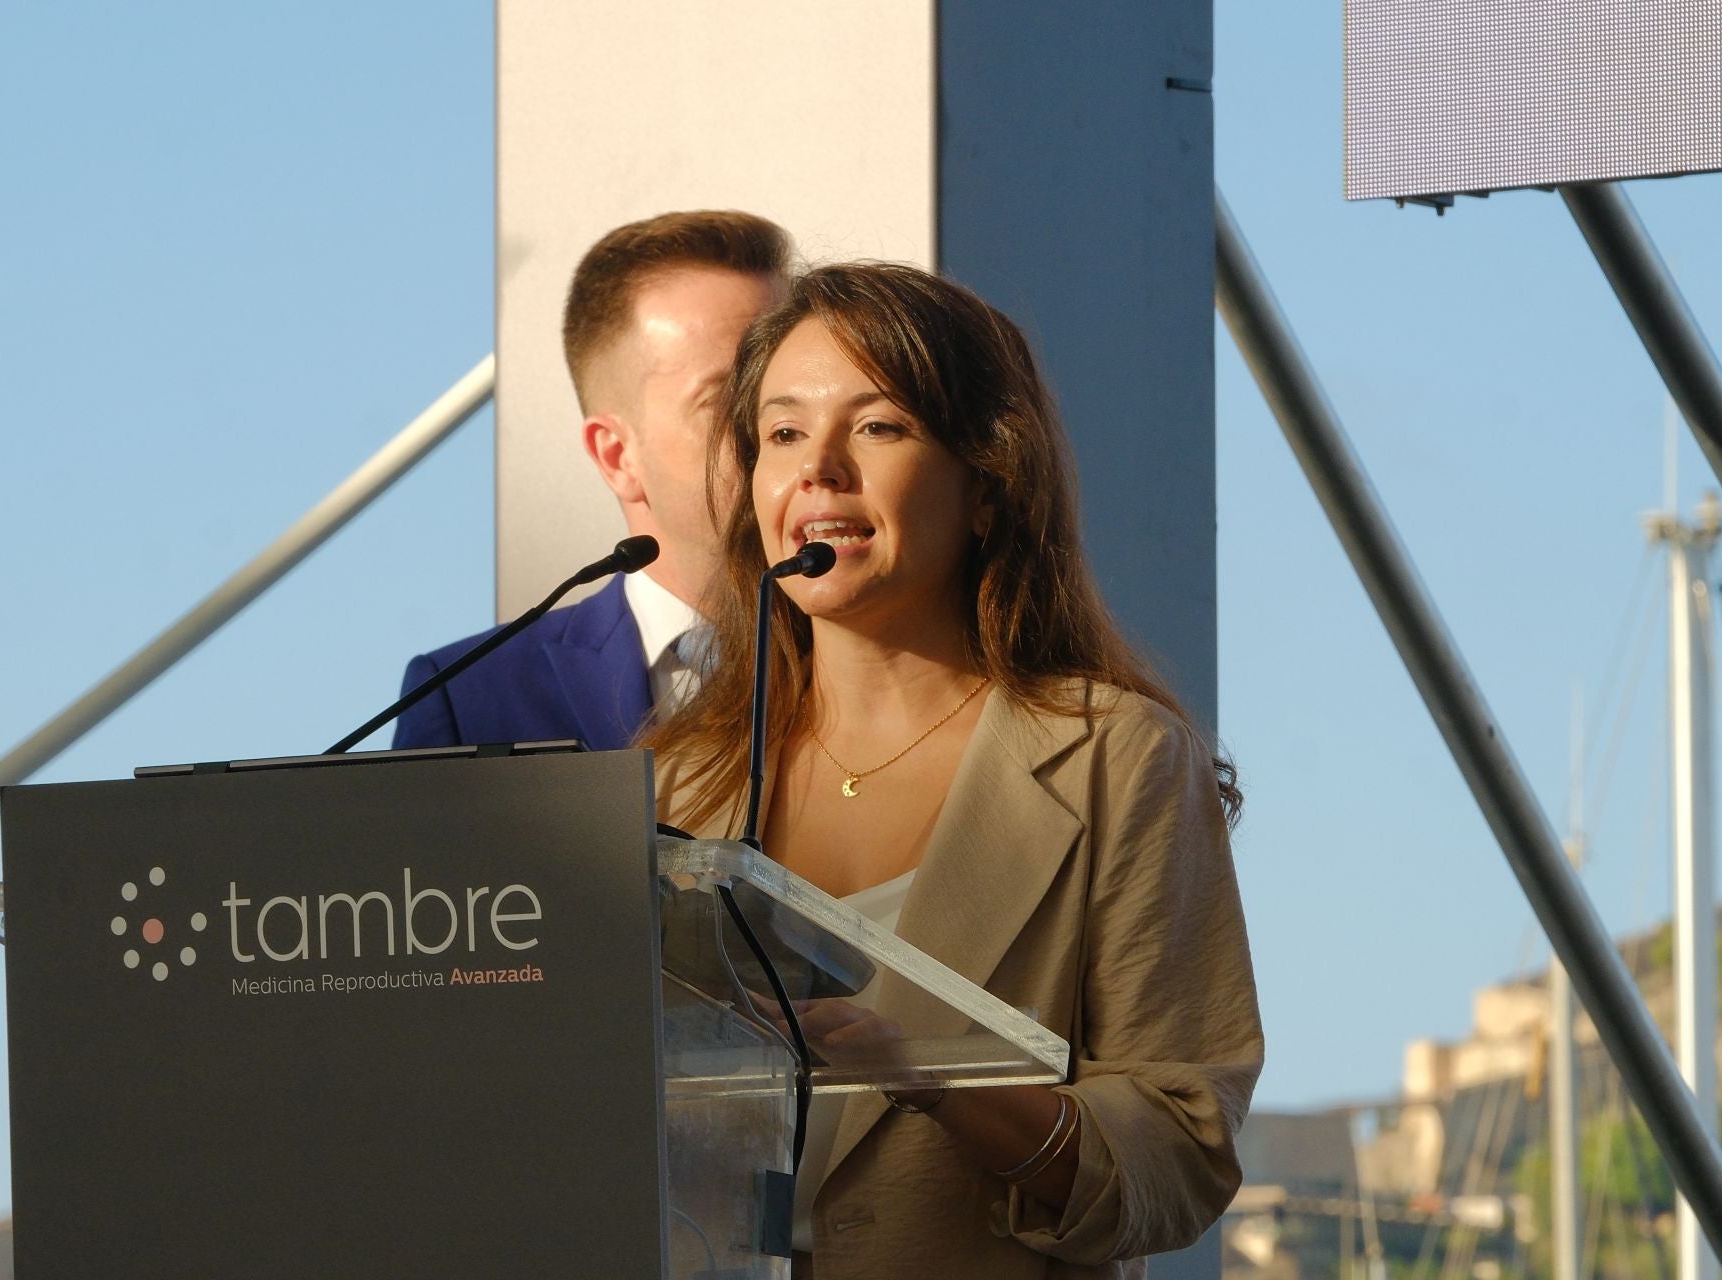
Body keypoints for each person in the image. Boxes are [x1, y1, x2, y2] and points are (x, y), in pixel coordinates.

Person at [646, 263, 1262, 1279]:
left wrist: (933, 1078)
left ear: (986, 484)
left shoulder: (1117, 756)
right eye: (783, 433)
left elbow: (1179, 1149)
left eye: (878, 426)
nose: (818, 470)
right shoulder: (675, 782)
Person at [393, 210, 790, 750]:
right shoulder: (471, 700)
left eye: (786, 392)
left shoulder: (891, 657)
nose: (776, 423)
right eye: (725, 398)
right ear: (618, 455)